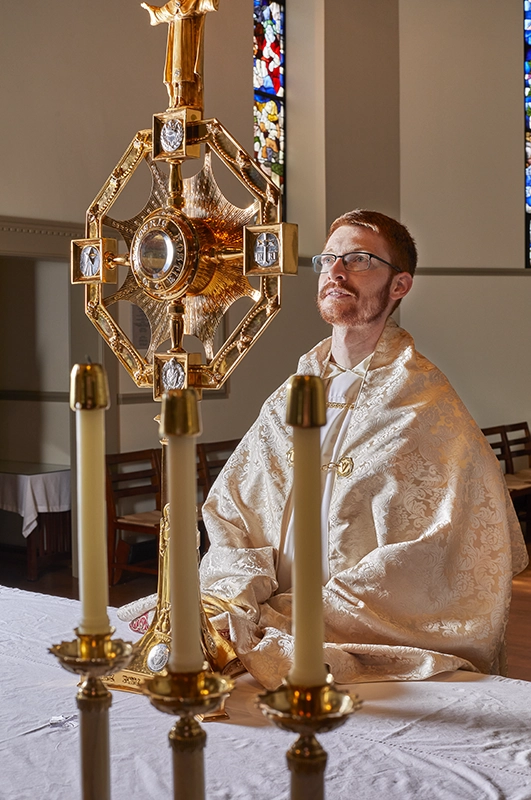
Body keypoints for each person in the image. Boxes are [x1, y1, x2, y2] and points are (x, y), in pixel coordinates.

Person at [198, 209, 528, 690]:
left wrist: (289, 620)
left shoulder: (427, 408)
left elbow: (436, 558)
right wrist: (238, 605)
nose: (336, 271)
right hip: (253, 642)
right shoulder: (287, 400)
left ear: (399, 286)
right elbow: (233, 513)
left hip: (365, 654)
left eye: (359, 260)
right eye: (329, 258)